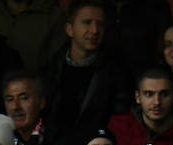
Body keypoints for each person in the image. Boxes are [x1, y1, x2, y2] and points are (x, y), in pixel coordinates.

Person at [45, 0, 129, 132]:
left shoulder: (116, 73)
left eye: (100, 24)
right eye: (87, 23)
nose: (95, 30)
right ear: (70, 29)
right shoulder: (52, 68)